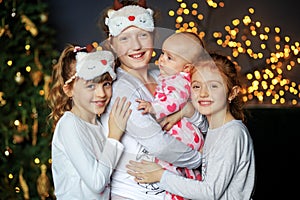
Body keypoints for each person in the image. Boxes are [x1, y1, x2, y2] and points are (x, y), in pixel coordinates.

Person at [100, 0, 203, 199]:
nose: (136, 46)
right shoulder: (121, 88)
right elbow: (159, 144)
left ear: (154, 37)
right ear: (112, 43)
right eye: (125, 39)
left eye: (142, 35)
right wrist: (202, 159)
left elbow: (203, 120)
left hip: (173, 190)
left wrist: (187, 111)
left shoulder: (164, 76)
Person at [126, 52, 256, 200]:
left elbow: (210, 192)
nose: (203, 93)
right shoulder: (214, 129)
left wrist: (160, 175)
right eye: (196, 86)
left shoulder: (232, 133)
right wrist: (184, 112)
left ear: (232, 93)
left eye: (213, 86)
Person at [48, 44, 132, 199]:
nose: (101, 93)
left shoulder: (100, 125)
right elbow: (97, 182)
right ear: (69, 90)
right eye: (91, 86)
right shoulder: (69, 124)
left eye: (106, 84)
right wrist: (114, 137)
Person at [136, 31, 208, 199]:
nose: (161, 59)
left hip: (184, 132)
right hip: (184, 131)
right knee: (186, 172)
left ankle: (175, 195)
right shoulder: (169, 76)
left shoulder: (180, 81)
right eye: (163, 54)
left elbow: (174, 101)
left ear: (187, 68)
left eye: (170, 58)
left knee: (167, 164)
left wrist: (153, 108)